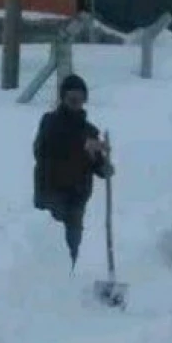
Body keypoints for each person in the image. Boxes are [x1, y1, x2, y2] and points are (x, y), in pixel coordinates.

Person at [33, 74, 114, 269]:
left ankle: (67, 285)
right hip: (51, 194)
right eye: (71, 97)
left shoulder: (90, 130)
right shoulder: (50, 122)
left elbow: (94, 162)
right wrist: (84, 144)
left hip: (77, 197)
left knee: (72, 245)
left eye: (80, 97)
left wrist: (104, 167)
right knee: (50, 247)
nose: (76, 101)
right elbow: (45, 149)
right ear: (63, 98)